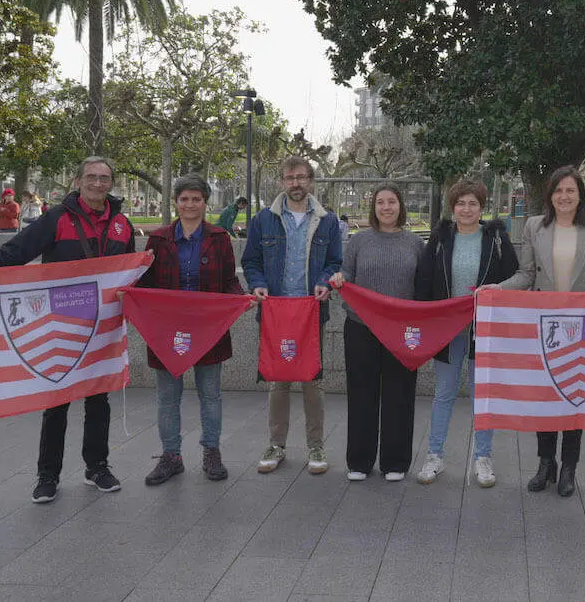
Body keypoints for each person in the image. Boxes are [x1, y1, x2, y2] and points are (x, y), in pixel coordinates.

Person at [0, 156, 135, 503]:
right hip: (62, 324)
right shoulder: (56, 218)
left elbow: (129, 274)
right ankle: (47, 475)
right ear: (77, 180)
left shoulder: (122, 225)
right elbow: (14, 253)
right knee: (57, 401)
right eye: (91, 177)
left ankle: (97, 466)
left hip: (104, 327)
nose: (98, 184)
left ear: (111, 183)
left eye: (104, 178)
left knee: (99, 398)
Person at [485, 165, 585, 497]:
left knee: (575, 395)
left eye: (571, 190)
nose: (564, 196)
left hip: (583, 326)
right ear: (550, 195)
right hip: (545, 326)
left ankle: (569, 467)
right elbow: (526, 275)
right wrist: (496, 290)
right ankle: (546, 463)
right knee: (545, 395)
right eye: (558, 191)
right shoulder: (534, 227)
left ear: (580, 195)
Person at [138, 174, 248, 486]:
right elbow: (144, 283)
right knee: (167, 397)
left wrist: (239, 299)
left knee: (210, 395)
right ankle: (171, 456)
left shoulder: (219, 238)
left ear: (205, 202)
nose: (190, 204)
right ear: (176, 202)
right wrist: (127, 294)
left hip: (208, 328)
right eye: (184, 199)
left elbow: (229, 279)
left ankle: (211, 451)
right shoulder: (158, 239)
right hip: (167, 331)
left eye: (196, 199)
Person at [413, 179, 519, 488]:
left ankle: (483, 458)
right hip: (446, 329)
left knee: (481, 396)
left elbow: (513, 275)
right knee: (443, 394)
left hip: (483, 329)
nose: (466, 209)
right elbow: (424, 279)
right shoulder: (441, 238)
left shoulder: (496, 237)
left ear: (481, 207)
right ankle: (434, 456)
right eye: (461, 203)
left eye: (473, 203)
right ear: (453, 206)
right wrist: (424, 319)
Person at [241, 156, 342, 475]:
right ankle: (277, 445)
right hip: (276, 313)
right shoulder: (262, 221)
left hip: (311, 313)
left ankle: (316, 446)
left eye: (301, 177)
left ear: (311, 180)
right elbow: (252, 262)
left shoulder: (327, 221)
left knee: (313, 380)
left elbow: (335, 262)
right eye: (289, 177)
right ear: (282, 182)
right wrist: (257, 285)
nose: (296, 183)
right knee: (278, 381)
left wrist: (325, 282)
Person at [328, 184, 425, 482]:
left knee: (400, 394)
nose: (386, 207)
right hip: (361, 327)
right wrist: (340, 278)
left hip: (402, 331)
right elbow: (348, 274)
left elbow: (423, 286)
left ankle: (395, 462)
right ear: (373, 207)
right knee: (361, 393)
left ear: (401, 206)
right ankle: (359, 461)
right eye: (380, 202)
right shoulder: (359, 241)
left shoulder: (415, 244)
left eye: (392, 202)